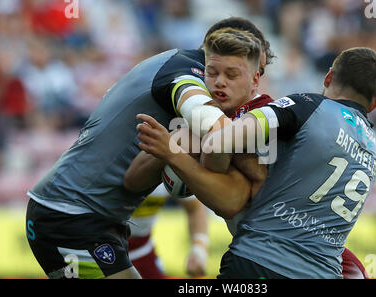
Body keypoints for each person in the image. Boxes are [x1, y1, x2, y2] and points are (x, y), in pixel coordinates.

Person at [24, 17, 263, 279]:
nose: (255, 86)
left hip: (96, 218)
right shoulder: (185, 72)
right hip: (68, 214)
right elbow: (214, 127)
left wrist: (173, 154)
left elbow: (133, 181)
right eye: (248, 69)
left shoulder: (183, 75)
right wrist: (262, 172)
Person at [137, 46, 376, 278]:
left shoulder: (309, 106)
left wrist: (177, 150)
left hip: (260, 259)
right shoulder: (373, 151)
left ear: (328, 78)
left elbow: (222, 140)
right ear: (374, 104)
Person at [124, 17, 275, 279]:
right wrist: (175, 147)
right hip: (254, 252)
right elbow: (132, 181)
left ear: (255, 77)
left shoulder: (263, 117)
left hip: (284, 255)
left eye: (233, 73)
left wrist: (177, 153)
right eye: (213, 72)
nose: (220, 82)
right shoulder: (192, 110)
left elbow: (234, 200)